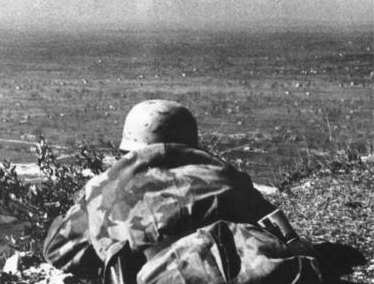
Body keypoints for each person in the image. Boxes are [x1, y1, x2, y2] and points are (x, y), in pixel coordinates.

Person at [43, 100, 322, 284]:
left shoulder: (102, 187)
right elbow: (284, 234)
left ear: (128, 147)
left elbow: (58, 250)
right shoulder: (224, 174)